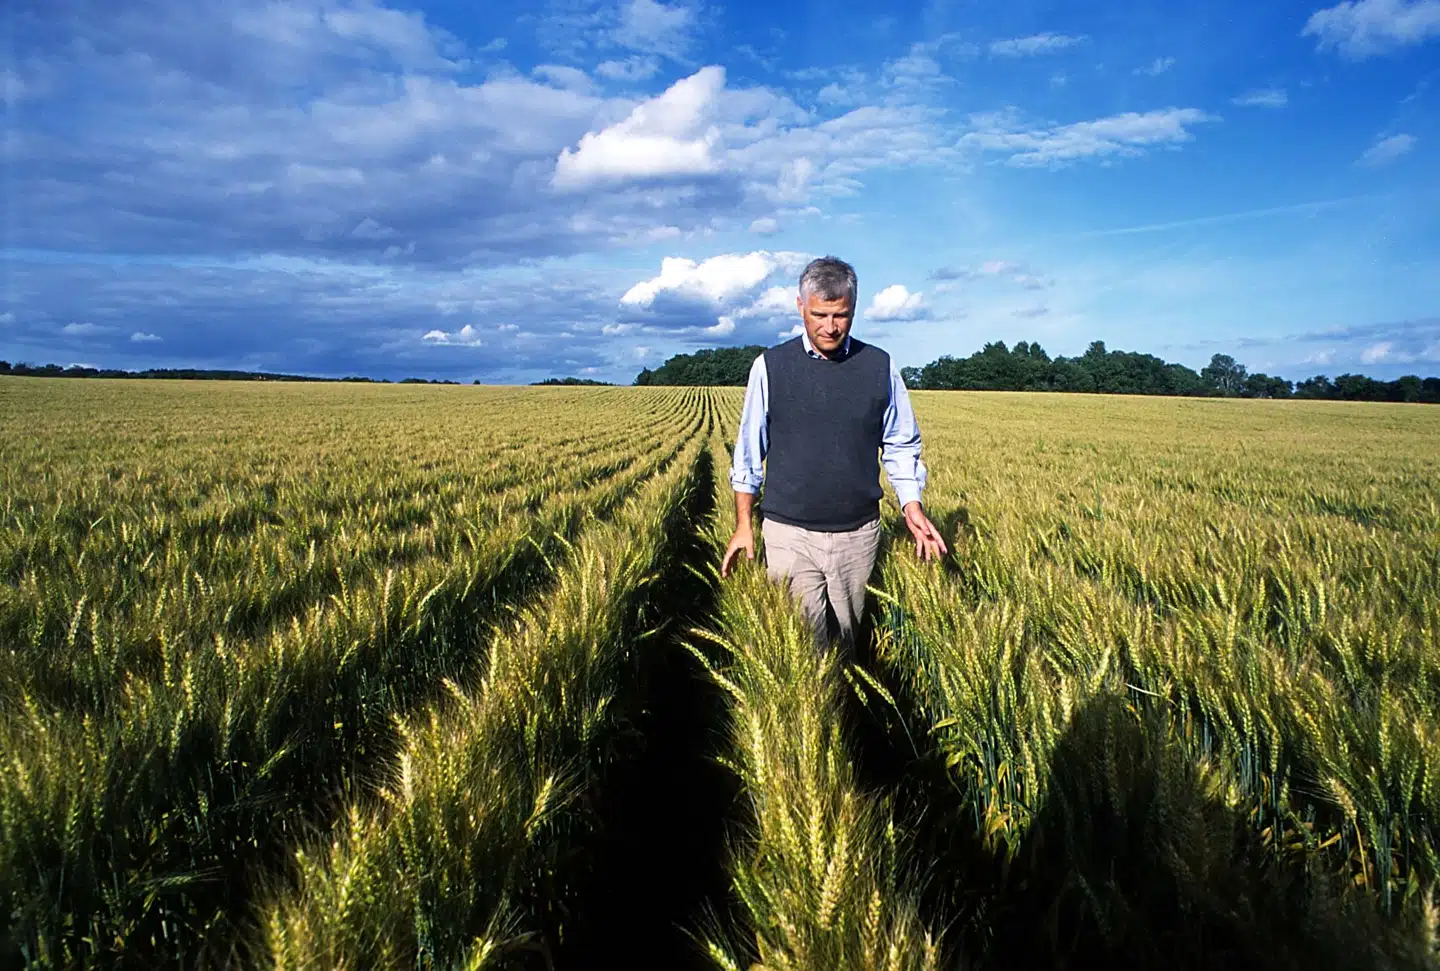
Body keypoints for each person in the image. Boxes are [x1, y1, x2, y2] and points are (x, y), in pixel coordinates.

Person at [720, 255, 947, 655]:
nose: (830, 327)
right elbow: (749, 451)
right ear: (800, 307)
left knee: (846, 644)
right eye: (819, 314)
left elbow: (899, 443)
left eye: (841, 315)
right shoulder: (769, 367)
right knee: (801, 648)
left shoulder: (880, 367)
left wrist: (912, 506)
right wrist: (743, 524)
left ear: (854, 310)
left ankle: (842, 708)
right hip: (789, 533)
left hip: (857, 535)